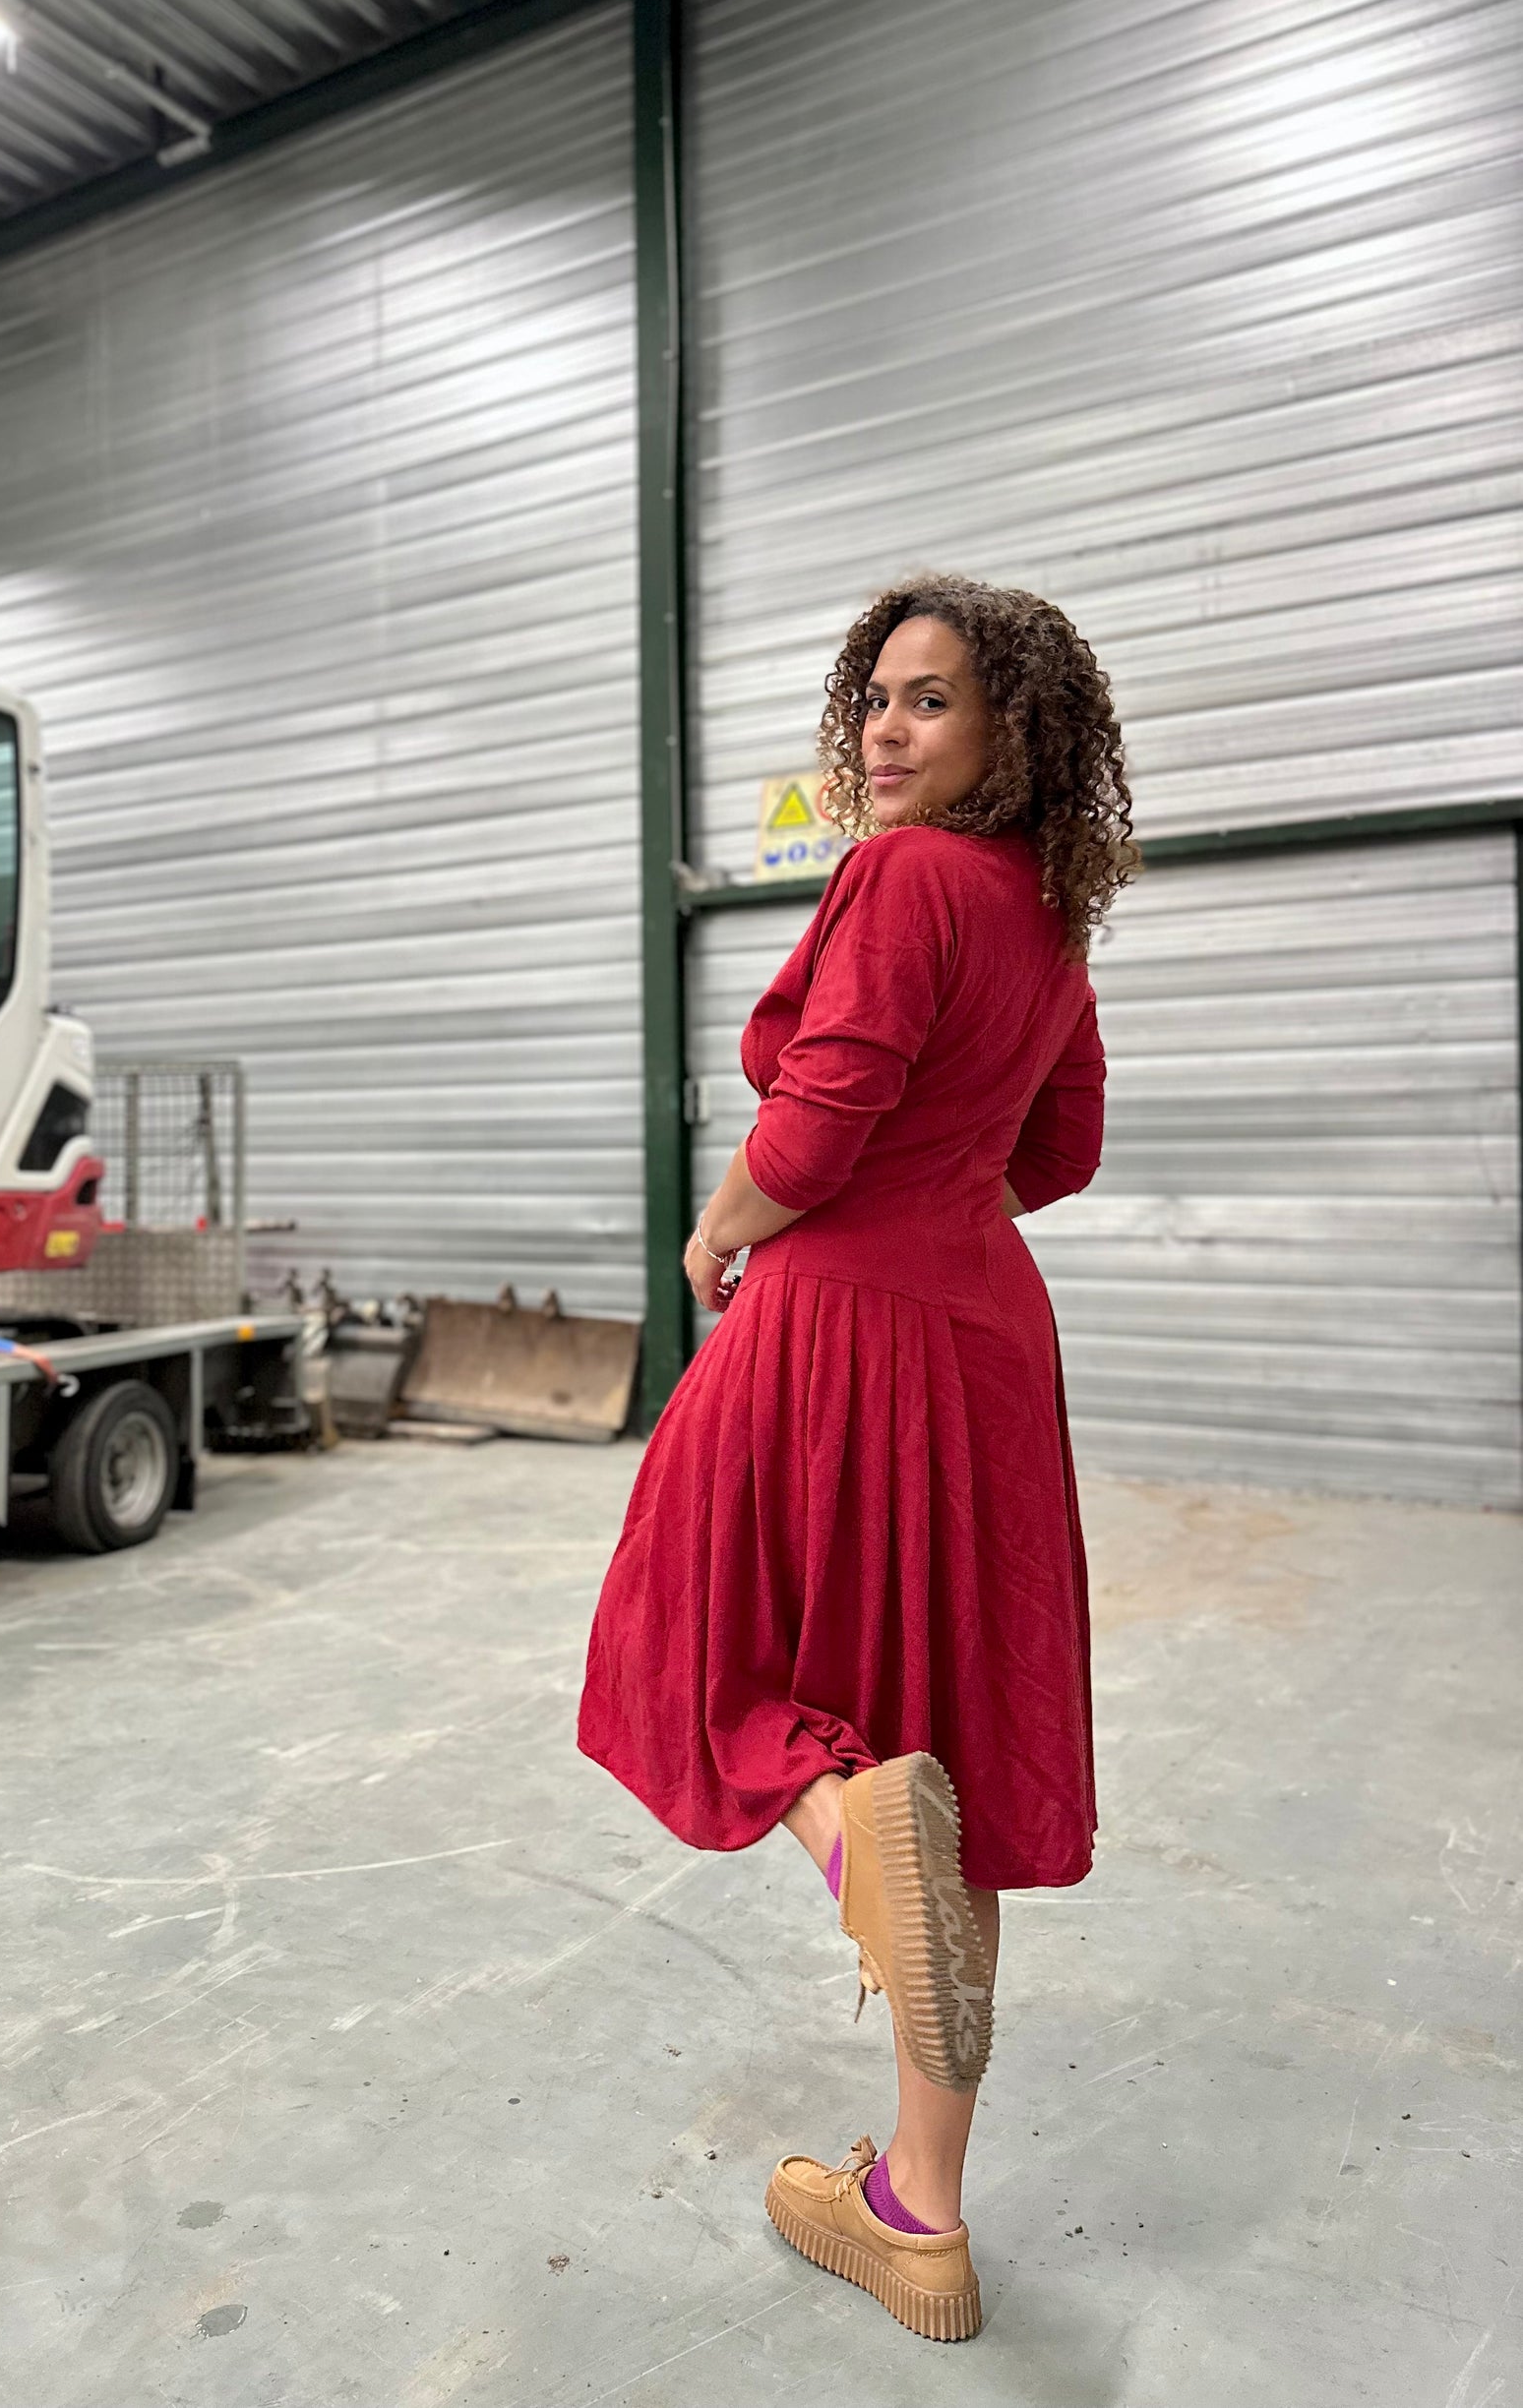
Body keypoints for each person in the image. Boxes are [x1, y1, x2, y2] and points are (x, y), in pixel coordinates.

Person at [579, 574, 1137, 2343]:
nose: (888, 730)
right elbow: (1062, 1147)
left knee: (685, 1636)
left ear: (1009, 728)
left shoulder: (904, 878)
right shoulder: (1042, 910)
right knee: (942, 1747)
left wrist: (717, 1229)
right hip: (982, 1338)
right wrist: (942, 1194)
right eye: (877, 698)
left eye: (931, 700)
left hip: (830, 1317)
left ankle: (842, 1843)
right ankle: (919, 2214)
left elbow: (813, 1129)